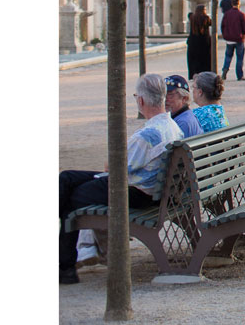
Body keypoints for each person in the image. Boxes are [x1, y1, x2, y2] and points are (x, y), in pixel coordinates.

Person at [59, 73, 180, 284]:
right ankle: (67, 265)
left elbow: (113, 167)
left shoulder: (148, 135)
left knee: (68, 195)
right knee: (66, 178)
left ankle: (66, 267)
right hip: (148, 189)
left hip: (133, 192)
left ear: (141, 100)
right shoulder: (172, 127)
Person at [219, 0, 245, 81]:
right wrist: (244, 33)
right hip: (239, 39)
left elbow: (223, 26)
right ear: (239, 4)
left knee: (228, 56)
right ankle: (239, 75)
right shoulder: (241, 15)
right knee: (239, 57)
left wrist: (225, 35)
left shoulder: (227, 14)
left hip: (229, 39)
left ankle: (225, 69)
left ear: (232, 4)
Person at [186, 4, 214, 78]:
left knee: (193, 60)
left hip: (193, 42)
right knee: (205, 60)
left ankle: (194, 74)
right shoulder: (206, 18)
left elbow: (189, 14)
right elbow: (211, 23)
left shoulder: (192, 18)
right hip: (204, 42)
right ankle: (204, 74)